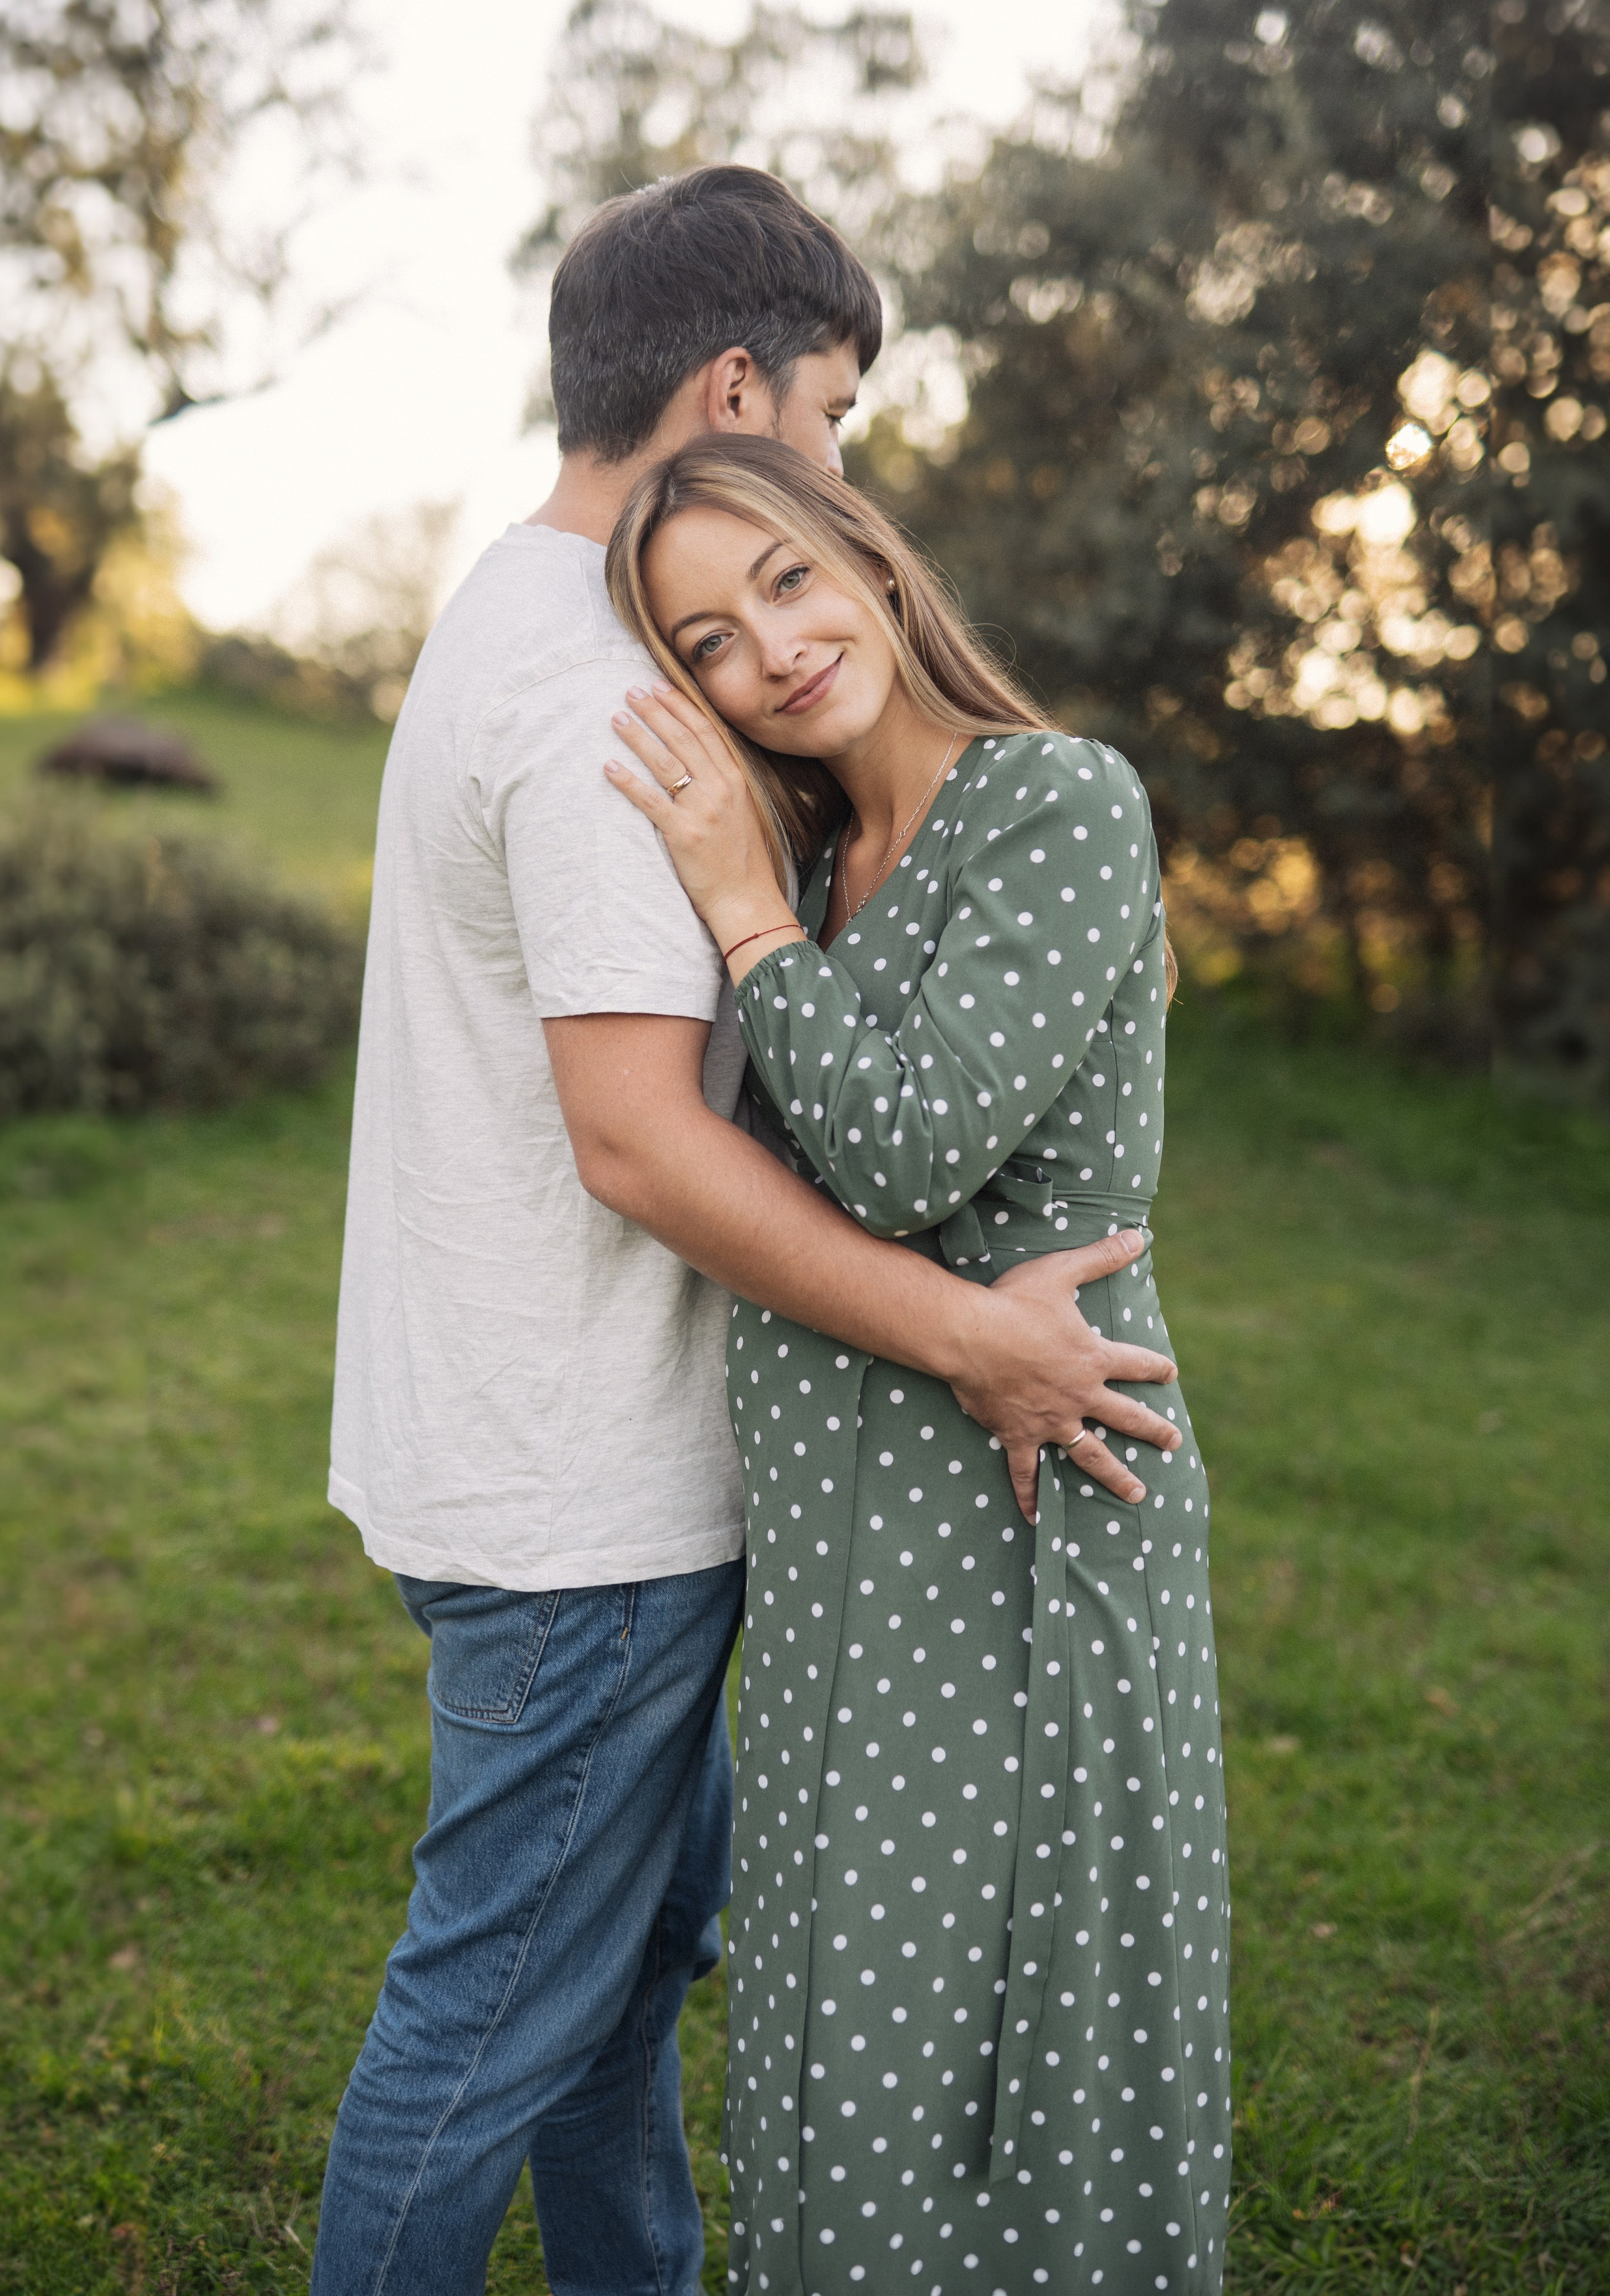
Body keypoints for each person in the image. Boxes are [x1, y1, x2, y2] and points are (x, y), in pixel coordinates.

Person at [313, 165, 1187, 2296]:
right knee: (490, 2023)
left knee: (616, 1992)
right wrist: (972, 1335)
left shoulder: (516, 614)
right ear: (739, 392)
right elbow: (641, 1140)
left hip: (532, 1453)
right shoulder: (605, 693)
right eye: (841, 415)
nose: (843, 479)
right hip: (578, 1494)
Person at [602, 432, 1230, 2296]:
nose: (771, 653)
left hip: (1021, 1522)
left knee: (1008, 2046)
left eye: (785, 581)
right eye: (707, 640)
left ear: (869, 561)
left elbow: (907, 1143)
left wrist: (743, 917)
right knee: (833, 2022)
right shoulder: (817, 849)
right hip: (829, 1532)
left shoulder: (1056, 801)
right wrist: (765, 890)